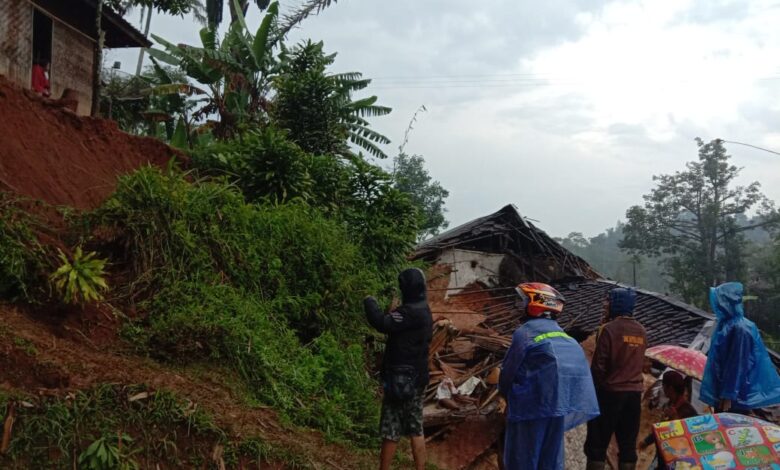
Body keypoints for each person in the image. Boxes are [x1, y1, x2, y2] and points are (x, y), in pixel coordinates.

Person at [498, 282, 599, 470]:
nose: (518, 306)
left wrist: (505, 396)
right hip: (558, 409)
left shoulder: (525, 332)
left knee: (523, 459)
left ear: (535, 303)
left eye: (522, 300)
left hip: (528, 410)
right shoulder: (564, 337)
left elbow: (508, 372)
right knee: (550, 460)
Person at [364, 268, 433, 470]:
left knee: (391, 427)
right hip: (418, 378)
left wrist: (370, 301)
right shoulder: (424, 309)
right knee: (415, 428)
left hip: (401, 380)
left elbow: (382, 323)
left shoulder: (409, 313)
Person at [585, 287, 647, 470]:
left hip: (610, 394)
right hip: (634, 396)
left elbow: (599, 366)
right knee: (627, 444)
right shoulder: (642, 331)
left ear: (616, 304)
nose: (606, 305)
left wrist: (593, 391)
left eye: (608, 301)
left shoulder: (608, 330)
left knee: (597, 444)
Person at [699, 281, 780, 413]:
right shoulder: (727, 325)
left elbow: (737, 364)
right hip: (726, 392)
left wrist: (728, 395)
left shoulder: (739, 328)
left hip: (735, 397)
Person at [638, 370, 698, 468]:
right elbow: (662, 428)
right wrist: (647, 441)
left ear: (670, 388)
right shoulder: (669, 405)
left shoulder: (687, 410)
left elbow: (689, 435)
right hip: (663, 456)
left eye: (663, 385)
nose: (662, 388)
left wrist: (674, 418)